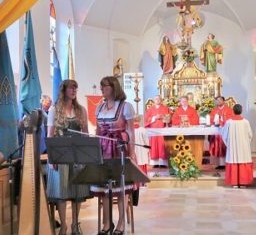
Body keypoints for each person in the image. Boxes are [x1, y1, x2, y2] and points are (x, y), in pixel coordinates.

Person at [91, 76, 138, 235]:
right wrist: (95, 152)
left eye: (105, 86)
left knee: (121, 188)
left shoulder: (126, 107)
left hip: (119, 150)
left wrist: (131, 153)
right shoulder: (99, 107)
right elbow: (98, 132)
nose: (102, 89)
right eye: (101, 86)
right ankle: (106, 223)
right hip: (103, 151)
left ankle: (121, 223)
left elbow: (131, 131)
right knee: (105, 188)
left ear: (113, 88)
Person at [46, 80, 91, 235]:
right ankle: (64, 225)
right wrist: (52, 159)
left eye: (75, 88)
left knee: (78, 192)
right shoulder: (54, 109)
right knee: (62, 193)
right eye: (71, 88)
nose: (74, 90)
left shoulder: (81, 110)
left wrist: (86, 155)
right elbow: (50, 135)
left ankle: (75, 224)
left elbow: (85, 134)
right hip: (61, 155)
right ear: (63, 90)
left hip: (77, 156)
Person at [221, 104, 253, 188]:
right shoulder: (246, 122)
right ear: (241, 111)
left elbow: (224, 136)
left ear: (233, 111)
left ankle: (234, 182)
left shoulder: (229, 122)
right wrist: (246, 144)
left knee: (233, 160)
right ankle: (243, 182)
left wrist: (229, 145)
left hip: (233, 147)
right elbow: (250, 135)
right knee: (243, 161)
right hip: (243, 147)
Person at [144, 95, 170, 168]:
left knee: (162, 145)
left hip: (162, 130)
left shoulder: (165, 108)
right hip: (153, 130)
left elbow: (168, 118)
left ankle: (163, 163)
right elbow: (147, 119)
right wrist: (154, 117)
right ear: (154, 100)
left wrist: (163, 117)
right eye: (156, 99)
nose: (157, 100)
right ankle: (155, 163)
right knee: (154, 146)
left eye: (159, 99)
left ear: (161, 100)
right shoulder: (150, 109)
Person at [208, 96, 233, 170]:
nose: (218, 102)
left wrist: (221, 119)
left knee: (224, 146)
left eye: (220, 100)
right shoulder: (214, 110)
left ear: (223, 101)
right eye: (217, 100)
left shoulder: (229, 110)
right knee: (216, 147)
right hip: (216, 133)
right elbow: (211, 119)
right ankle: (219, 163)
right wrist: (214, 121)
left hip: (225, 132)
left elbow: (230, 119)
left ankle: (226, 163)